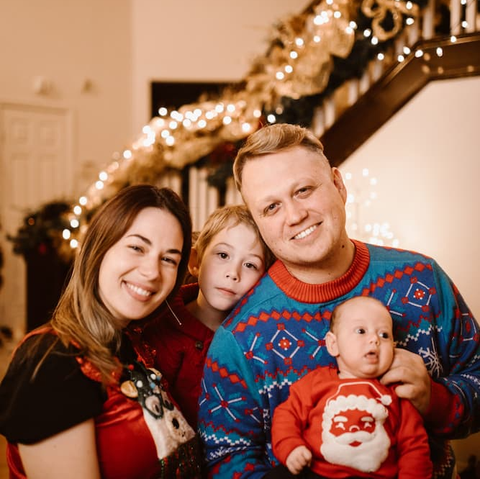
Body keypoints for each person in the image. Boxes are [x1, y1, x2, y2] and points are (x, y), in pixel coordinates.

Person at [197, 123, 480, 479]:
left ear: (338, 185)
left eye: (304, 190)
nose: (295, 216)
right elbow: (225, 459)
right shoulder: (238, 339)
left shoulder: (422, 279)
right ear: (259, 222)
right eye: (271, 207)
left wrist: (436, 400)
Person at [0, 184, 203, 479]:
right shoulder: (52, 361)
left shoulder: (134, 346)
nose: (152, 272)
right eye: (137, 248)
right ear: (99, 248)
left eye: (168, 259)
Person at [141, 204, 274, 428]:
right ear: (195, 262)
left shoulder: (255, 341)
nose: (233, 273)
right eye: (223, 255)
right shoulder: (159, 323)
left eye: (250, 264)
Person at [271, 296, 432, 478]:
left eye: (384, 335)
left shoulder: (396, 393)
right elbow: (286, 415)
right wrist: (291, 447)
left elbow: (414, 447)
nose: (375, 339)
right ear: (333, 344)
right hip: (316, 471)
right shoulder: (316, 383)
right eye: (361, 331)